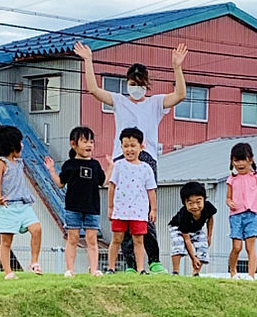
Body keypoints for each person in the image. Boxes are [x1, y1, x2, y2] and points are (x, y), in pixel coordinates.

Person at [74, 40, 188, 274]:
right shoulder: (120, 100)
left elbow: (180, 95)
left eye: (140, 84)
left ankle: (153, 260)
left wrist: (177, 67)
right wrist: (88, 61)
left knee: (145, 212)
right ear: (127, 83)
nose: (135, 88)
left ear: (146, 85)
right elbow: (94, 90)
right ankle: (128, 265)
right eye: (132, 83)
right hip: (121, 160)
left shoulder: (156, 103)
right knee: (124, 213)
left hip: (146, 158)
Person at [44, 126, 113, 278]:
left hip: (92, 208)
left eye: (91, 142)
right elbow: (61, 183)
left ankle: (94, 269)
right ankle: (70, 269)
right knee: (73, 238)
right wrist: (51, 170)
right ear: (73, 144)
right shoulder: (69, 164)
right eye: (85, 141)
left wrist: (110, 167)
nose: (89, 145)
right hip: (73, 207)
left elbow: (103, 182)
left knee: (92, 239)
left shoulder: (95, 165)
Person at [0, 125, 43, 280]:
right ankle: (8, 272)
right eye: (19, 142)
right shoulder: (1, 163)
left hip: (23, 205)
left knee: (37, 229)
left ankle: (34, 262)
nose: (22, 145)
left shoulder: (19, 162)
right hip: (7, 207)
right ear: (11, 144)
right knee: (6, 241)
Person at [106, 128, 157, 275]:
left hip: (139, 211)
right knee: (117, 238)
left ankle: (141, 269)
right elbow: (112, 186)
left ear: (142, 146)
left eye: (133, 145)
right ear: (121, 146)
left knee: (138, 240)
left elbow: (151, 190)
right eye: (126, 146)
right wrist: (110, 207)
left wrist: (153, 209)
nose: (129, 149)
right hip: (120, 210)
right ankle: (111, 267)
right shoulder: (119, 166)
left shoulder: (146, 168)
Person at [226, 143, 257, 280]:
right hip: (236, 216)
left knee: (250, 246)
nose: (240, 164)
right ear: (232, 161)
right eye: (236, 160)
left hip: (253, 214)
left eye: (243, 160)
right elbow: (228, 197)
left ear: (250, 160)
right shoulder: (232, 179)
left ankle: (251, 275)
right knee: (237, 247)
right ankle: (233, 271)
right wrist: (229, 202)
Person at [168, 182, 216, 276]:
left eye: (198, 202)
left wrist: (209, 235)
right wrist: (193, 258)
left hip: (196, 229)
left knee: (203, 245)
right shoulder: (184, 215)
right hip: (178, 228)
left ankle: (195, 273)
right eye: (190, 203)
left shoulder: (208, 207)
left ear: (204, 199)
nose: (195, 206)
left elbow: (210, 218)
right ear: (184, 203)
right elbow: (187, 240)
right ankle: (175, 272)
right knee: (178, 244)